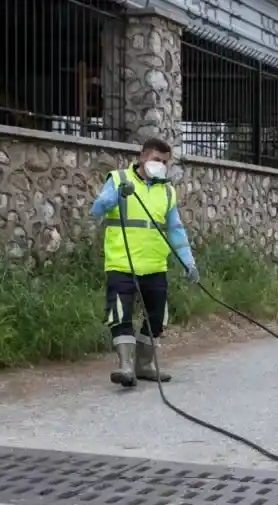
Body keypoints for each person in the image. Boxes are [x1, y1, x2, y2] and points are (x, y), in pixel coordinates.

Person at [91, 138, 200, 388]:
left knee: (157, 317)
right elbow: (97, 210)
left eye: (164, 162)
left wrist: (188, 263)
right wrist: (115, 196)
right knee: (120, 314)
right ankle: (125, 365)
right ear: (142, 158)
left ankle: (145, 364)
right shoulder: (118, 180)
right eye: (155, 160)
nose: (160, 165)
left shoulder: (167, 191)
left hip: (155, 265)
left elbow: (176, 230)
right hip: (121, 263)